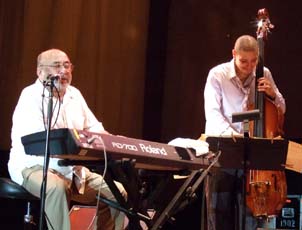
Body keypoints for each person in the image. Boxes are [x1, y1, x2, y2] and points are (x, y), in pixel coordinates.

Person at [8, 48, 126, 230]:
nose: (63, 71)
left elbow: (93, 128)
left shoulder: (74, 94)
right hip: (34, 167)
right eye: (56, 66)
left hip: (73, 171)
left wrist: (115, 142)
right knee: (56, 188)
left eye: (67, 65)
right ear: (40, 71)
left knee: (117, 193)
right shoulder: (30, 96)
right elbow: (37, 141)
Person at [203, 35, 285, 229]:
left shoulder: (263, 72)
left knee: (248, 219)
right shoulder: (217, 75)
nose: (250, 67)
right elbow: (213, 114)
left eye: (254, 60)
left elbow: (281, 108)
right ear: (234, 54)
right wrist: (237, 140)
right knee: (219, 214)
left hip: (252, 161)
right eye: (244, 61)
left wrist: (273, 94)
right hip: (224, 153)